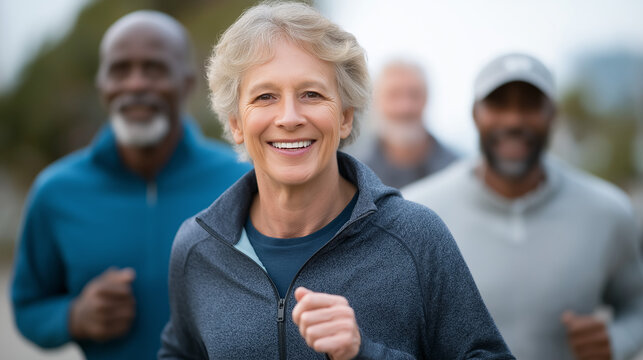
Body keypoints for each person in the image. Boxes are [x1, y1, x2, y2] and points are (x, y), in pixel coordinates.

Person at [159, 3, 514, 359]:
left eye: (311, 94)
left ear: (344, 117)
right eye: (265, 96)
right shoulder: (197, 249)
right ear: (236, 123)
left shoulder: (417, 237)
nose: (289, 117)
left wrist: (366, 354)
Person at [10, 11, 250, 359]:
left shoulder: (242, 179)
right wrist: (73, 316)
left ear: (186, 83)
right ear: (102, 84)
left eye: (154, 68)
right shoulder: (55, 192)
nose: (135, 84)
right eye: (120, 69)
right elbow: (27, 307)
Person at [403, 53, 643, 360]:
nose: (514, 119)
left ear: (553, 115)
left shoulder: (609, 212)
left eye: (530, 105)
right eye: (498, 104)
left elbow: (637, 307)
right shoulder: (418, 211)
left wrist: (615, 340)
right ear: (475, 114)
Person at [363, 60, 457, 188]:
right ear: (375, 101)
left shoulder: (456, 169)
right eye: (394, 95)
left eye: (414, 95)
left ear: (427, 99)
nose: (405, 107)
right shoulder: (353, 172)